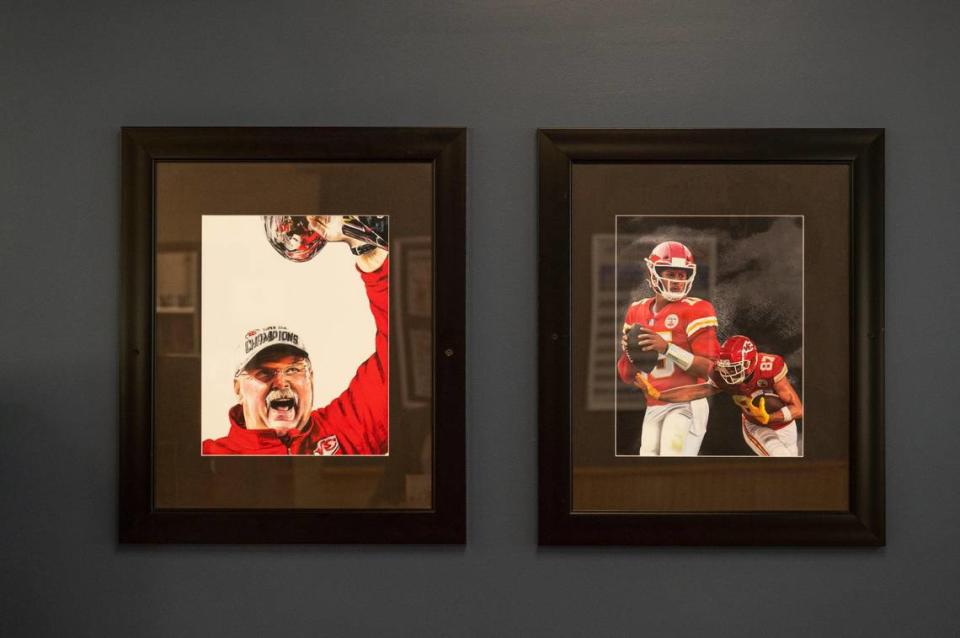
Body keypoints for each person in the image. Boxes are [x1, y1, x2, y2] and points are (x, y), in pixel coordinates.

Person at [202, 216, 388, 455]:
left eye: (293, 370)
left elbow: (407, 358)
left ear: (311, 379)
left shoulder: (344, 430)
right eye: (264, 372)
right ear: (238, 388)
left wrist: (366, 248)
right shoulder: (211, 457)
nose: (281, 383)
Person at [617, 240, 720, 455]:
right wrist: (629, 354)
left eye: (681, 275)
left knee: (672, 460)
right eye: (670, 274)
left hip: (687, 403)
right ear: (653, 273)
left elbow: (710, 368)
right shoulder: (636, 310)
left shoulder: (698, 309)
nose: (676, 281)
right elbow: (626, 376)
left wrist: (667, 348)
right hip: (655, 403)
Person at [636, 335, 803, 456]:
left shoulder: (770, 367)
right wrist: (659, 395)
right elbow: (696, 391)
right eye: (727, 367)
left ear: (751, 362)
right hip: (756, 425)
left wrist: (771, 417)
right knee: (781, 456)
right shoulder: (721, 375)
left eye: (735, 367)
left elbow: (798, 409)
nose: (729, 373)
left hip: (784, 423)